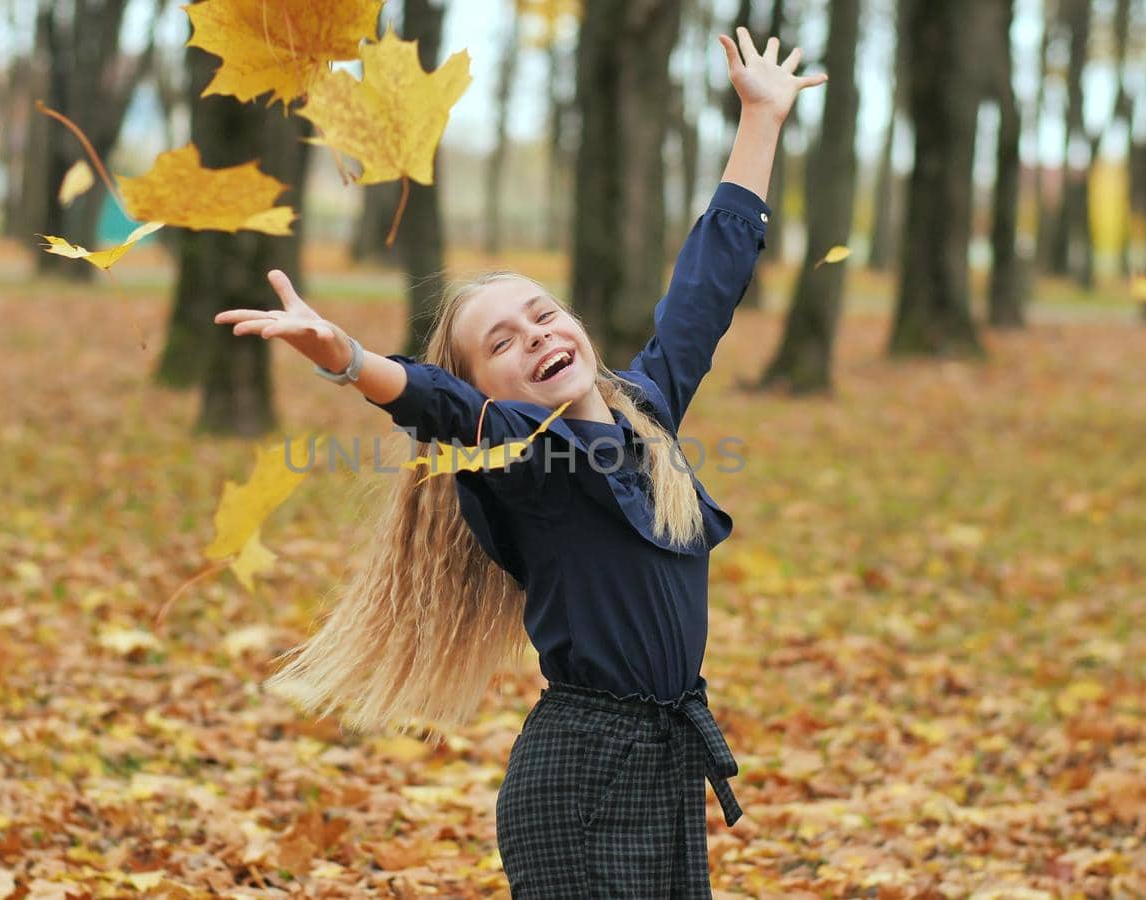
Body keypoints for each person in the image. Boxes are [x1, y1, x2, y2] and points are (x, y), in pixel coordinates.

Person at [214, 26, 825, 899]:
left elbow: (708, 283)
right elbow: (437, 400)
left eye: (542, 315)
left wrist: (760, 119)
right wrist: (349, 359)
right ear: (488, 392)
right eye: (501, 341)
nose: (537, 336)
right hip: (580, 777)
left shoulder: (646, 413)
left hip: (662, 763)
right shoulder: (521, 459)